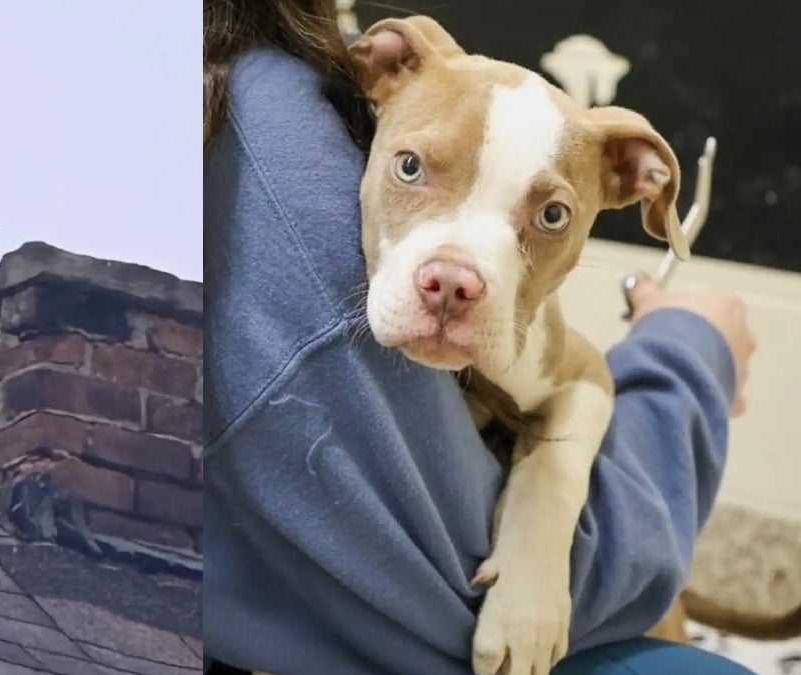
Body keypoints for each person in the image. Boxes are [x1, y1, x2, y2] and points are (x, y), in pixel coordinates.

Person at [201, 1, 759, 673]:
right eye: (413, 170)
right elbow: (441, 601)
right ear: (379, 68)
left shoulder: (276, 94)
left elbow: (580, 381)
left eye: (550, 214)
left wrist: (544, 504)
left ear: (628, 179)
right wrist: (692, 348)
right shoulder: (272, 174)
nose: (455, 279)